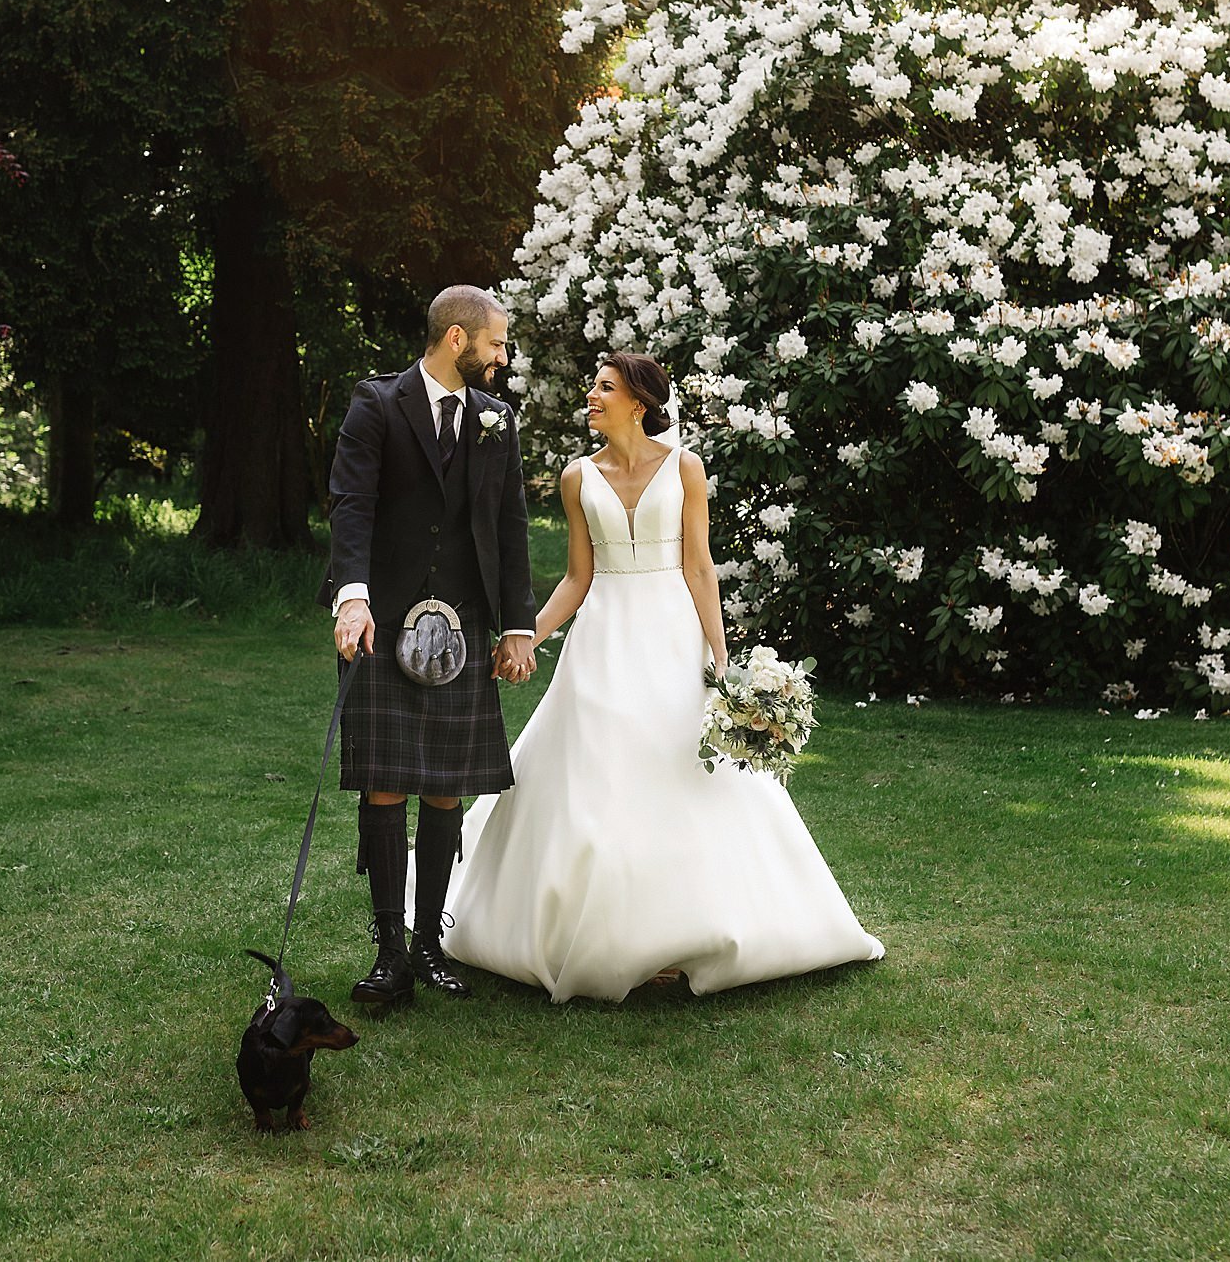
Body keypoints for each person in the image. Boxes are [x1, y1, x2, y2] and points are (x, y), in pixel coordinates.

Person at [442, 352, 884, 1002]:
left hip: (671, 635)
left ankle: (696, 928)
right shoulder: (576, 477)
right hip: (601, 639)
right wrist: (524, 635)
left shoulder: (685, 468)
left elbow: (701, 568)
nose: (589, 396)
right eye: (592, 385)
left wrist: (722, 659)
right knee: (603, 774)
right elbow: (576, 577)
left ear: (639, 403)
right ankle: (606, 932)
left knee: (678, 774)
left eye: (603, 387)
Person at [322, 285, 540, 1008]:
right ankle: (389, 953)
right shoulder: (378, 405)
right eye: (497, 343)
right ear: (456, 339)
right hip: (384, 619)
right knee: (386, 780)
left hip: (465, 622)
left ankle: (429, 944)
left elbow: (509, 524)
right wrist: (351, 597)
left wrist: (516, 625)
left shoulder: (496, 422)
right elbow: (351, 503)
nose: (502, 357)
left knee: (446, 783)